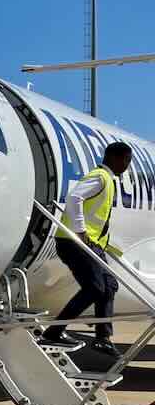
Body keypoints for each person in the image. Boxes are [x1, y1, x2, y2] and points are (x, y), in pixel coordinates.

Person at [41, 142, 134, 358]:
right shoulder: (100, 177)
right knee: (95, 288)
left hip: (91, 244)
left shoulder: (108, 180)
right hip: (74, 241)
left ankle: (103, 338)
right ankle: (54, 331)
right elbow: (74, 198)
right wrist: (81, 230)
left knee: (109, 286)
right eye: (126, 161)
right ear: (117, 159)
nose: (127, 166)